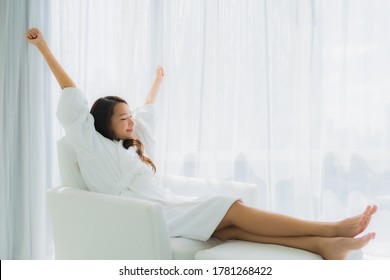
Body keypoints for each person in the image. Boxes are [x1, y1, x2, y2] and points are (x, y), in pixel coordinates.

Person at [26, 27, 377, 260]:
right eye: (122, 117)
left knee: (232, 228)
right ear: (104, 124)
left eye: (129, 115)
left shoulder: (130, 146)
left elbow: (147, 113)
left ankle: (323, 246)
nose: (131, 120)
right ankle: (329, 227)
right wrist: (43, 47)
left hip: (169, 205)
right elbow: (72, 98)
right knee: (233, 209)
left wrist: (156, 81)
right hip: (148, 216)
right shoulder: (91, 145)